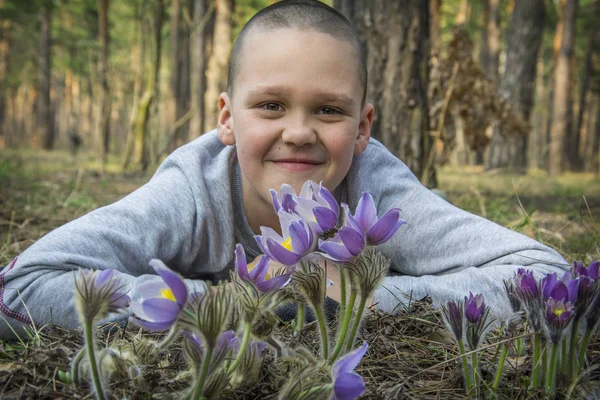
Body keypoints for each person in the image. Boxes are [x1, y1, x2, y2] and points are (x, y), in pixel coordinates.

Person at [0, 0, 567, 341]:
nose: (298, 131)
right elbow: (21, 285)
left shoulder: (376, 191)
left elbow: (545, 274)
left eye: (328, 109)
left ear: (364, 127)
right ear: (227, 118)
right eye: (271, 105)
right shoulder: (191, 192)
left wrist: (365, 300)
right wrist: (231, 304)